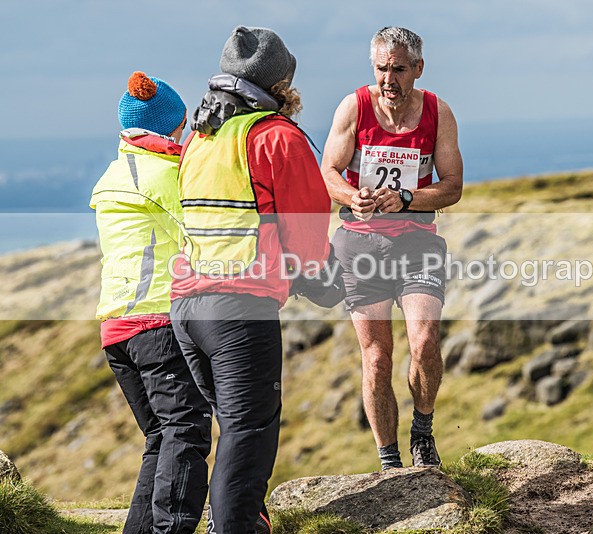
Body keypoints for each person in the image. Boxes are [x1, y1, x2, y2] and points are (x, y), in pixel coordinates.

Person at [169, 26, 334, 534]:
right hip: (239, 312)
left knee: (232, 427)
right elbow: (307, 239)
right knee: (248, 432)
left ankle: (236, 521)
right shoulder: (277, 137)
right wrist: (322, 278)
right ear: (281, 83)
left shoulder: (201, 138)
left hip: (187, 311)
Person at [321, 27, 463, 470]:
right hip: (360, 247)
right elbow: (328, 171)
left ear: (418, 68)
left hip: (417, 244)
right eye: (381, 68)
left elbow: (453, 187)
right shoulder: (354, 107)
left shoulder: (438, 112)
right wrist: (352, 197)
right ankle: (389, 462)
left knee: (425, 340)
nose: (388, 79)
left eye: (398, 69)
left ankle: (422, 430)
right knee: (378, 359)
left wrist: (406, 198)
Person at [89, 72, 212, 534]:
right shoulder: (164, 176)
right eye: (181, 126)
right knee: (186, 429)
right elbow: (205, 236)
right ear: (171, 126)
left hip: (116, 329)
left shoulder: (114, 174)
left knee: (161, 435)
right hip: (156, 324)